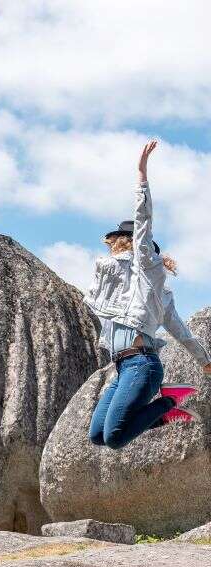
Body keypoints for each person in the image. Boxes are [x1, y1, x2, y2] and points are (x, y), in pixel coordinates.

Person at [84, 139, 211, 450]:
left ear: (129, 242)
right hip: (123, 367)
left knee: (115, 437)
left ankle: (167, 401)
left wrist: (141, 173)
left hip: (143, 365)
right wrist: (205, 361)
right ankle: (168, 412)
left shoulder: (146, 270)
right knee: (97, 435)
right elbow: (181, 332)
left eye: (117, 237)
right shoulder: (116, 283)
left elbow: (143, 223)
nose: (111, 242)